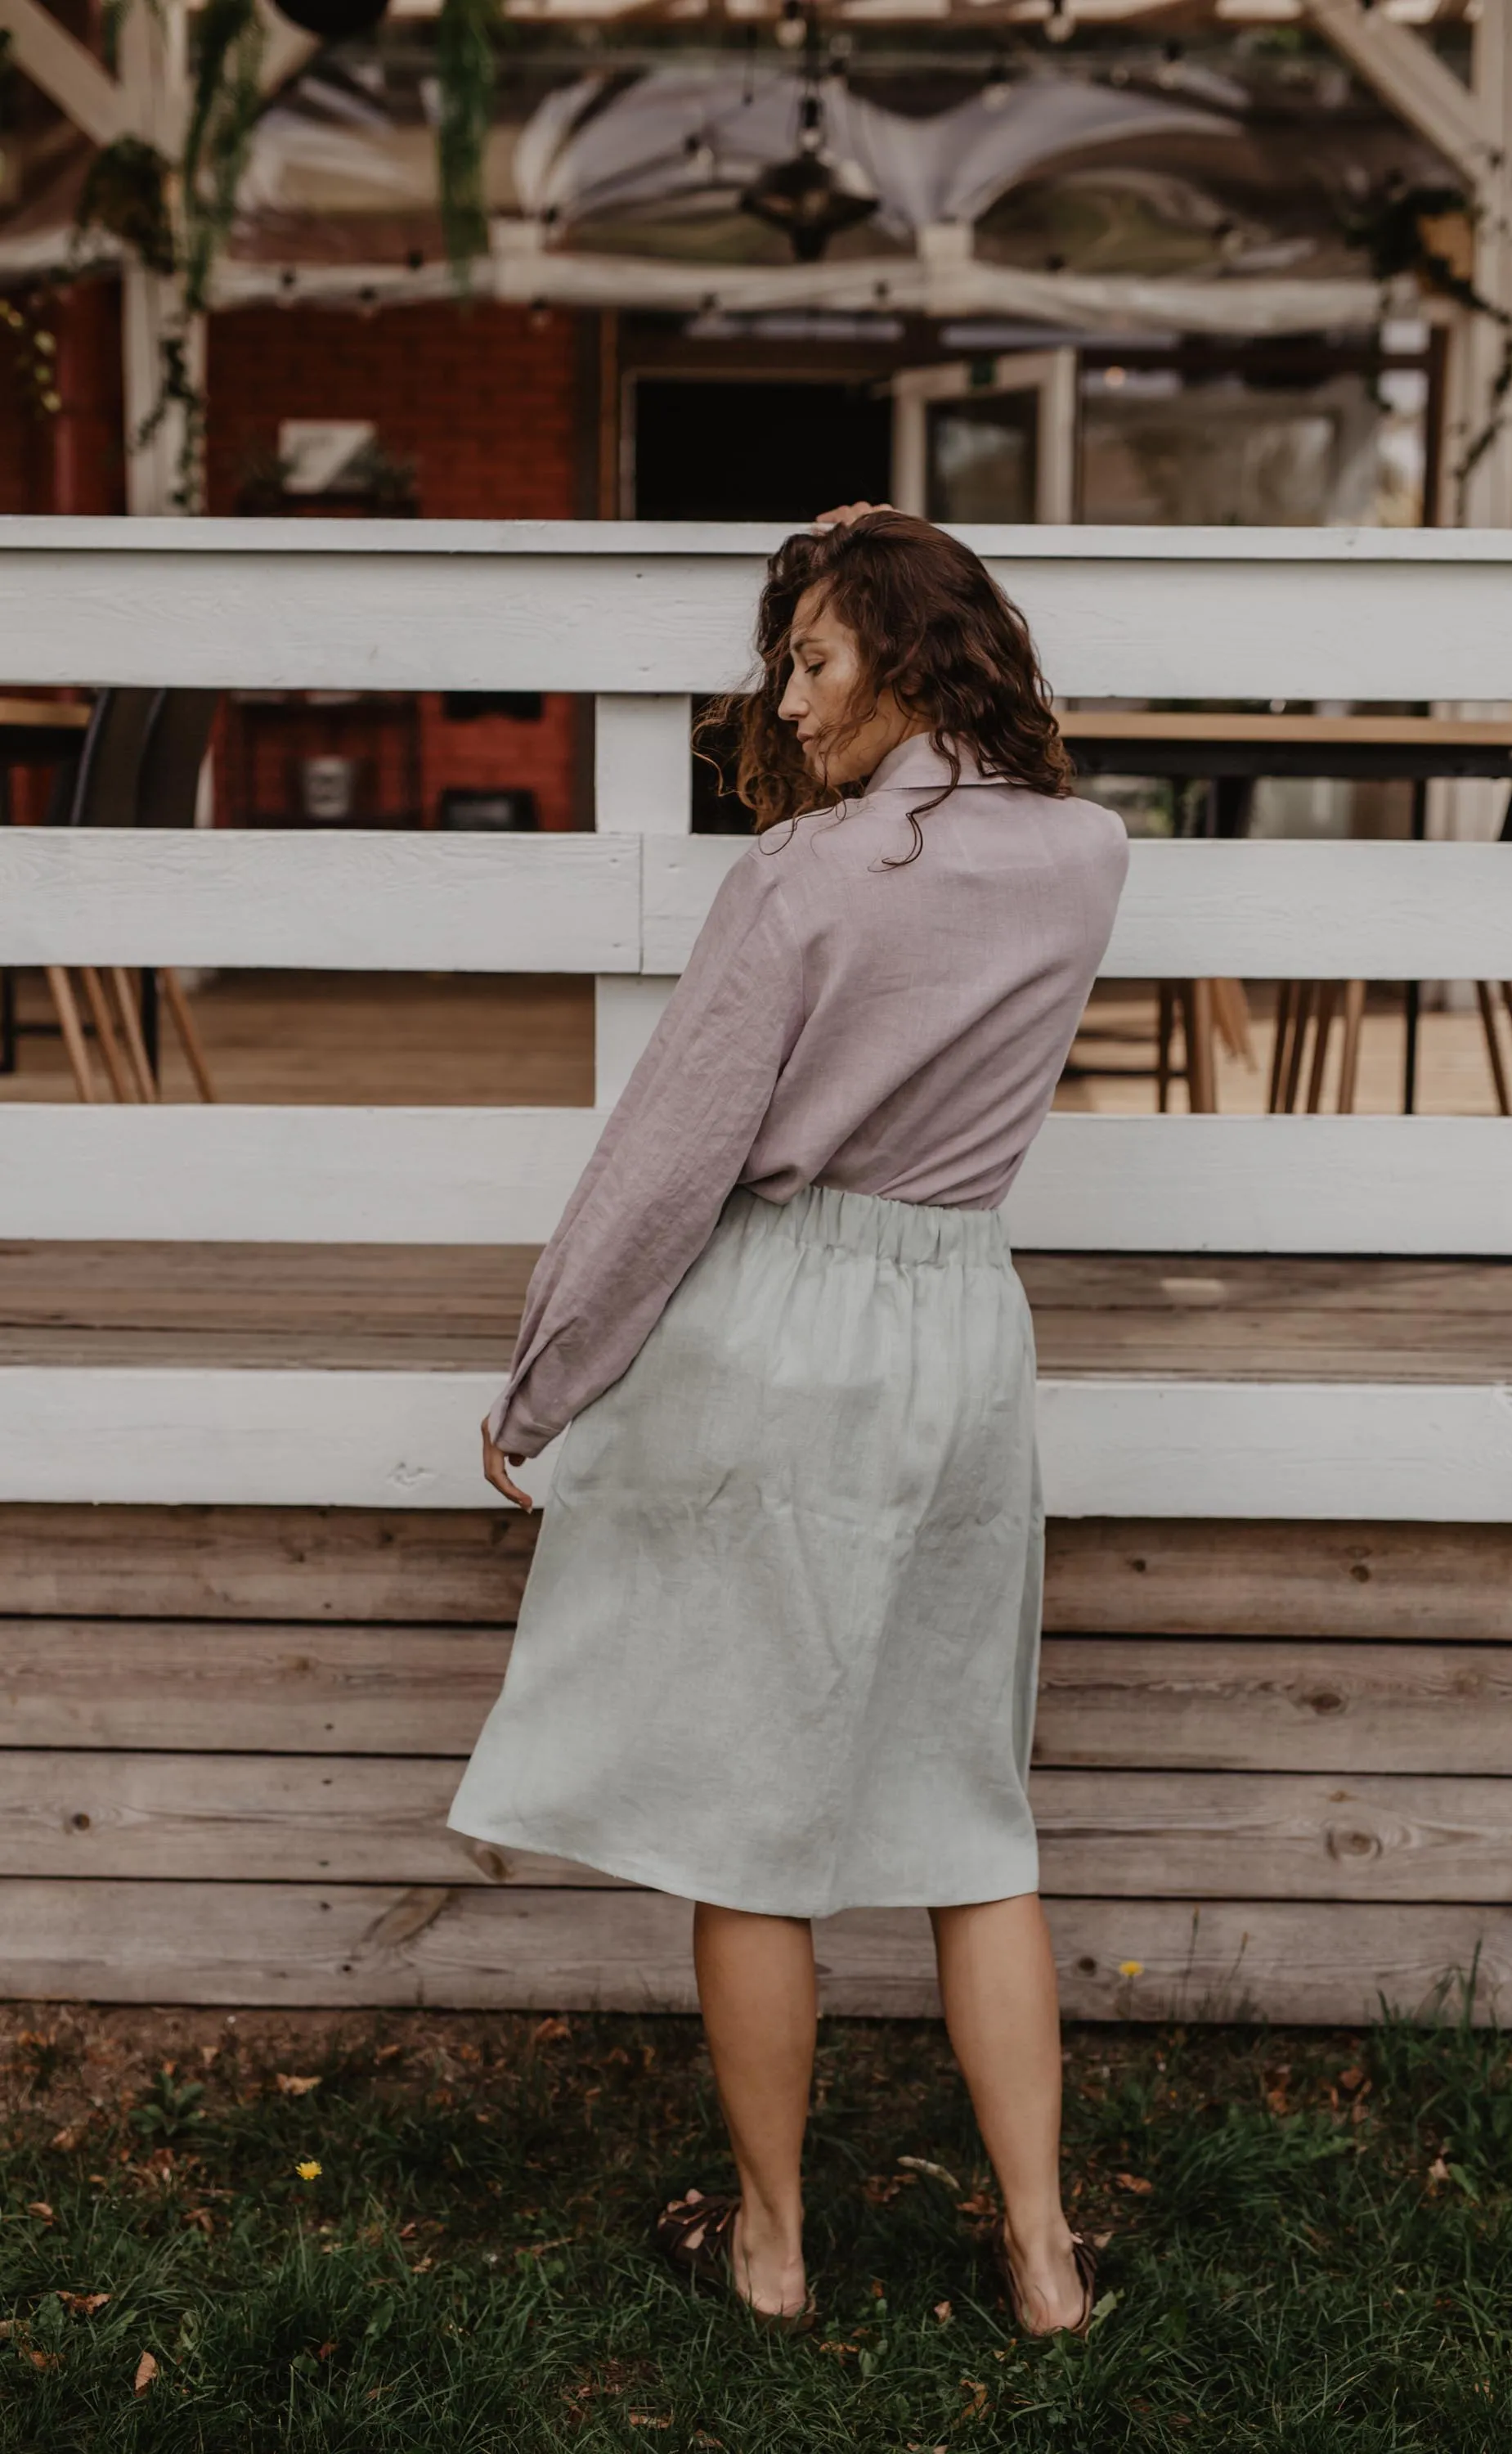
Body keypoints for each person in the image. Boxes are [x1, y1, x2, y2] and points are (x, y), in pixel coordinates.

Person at [447, 505, 1129, 2337]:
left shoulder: (804, 879)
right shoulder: (1089, 855)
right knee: (973, 1813)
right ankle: (1047, 2263)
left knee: (757, 1819)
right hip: (962, 1332)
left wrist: (548, 1369)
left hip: (785, 1327)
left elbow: (672, 1159)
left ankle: (770, 2248)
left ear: (907, 659)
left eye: (814, 660)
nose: (789, 698)